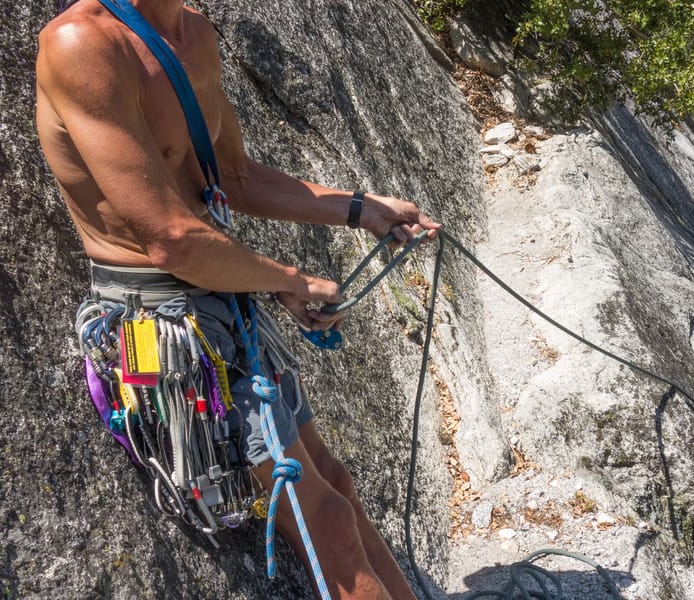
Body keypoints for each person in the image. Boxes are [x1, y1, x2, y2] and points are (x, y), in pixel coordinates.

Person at [36, 1, 439, 598]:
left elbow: (237, 177)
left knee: (334, 484)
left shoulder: (193, 32)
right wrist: (289, 280)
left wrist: (361, 208)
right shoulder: (84, 46)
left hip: (224, 300)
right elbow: (171, 239)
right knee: (322, 517)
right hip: (164, 323)